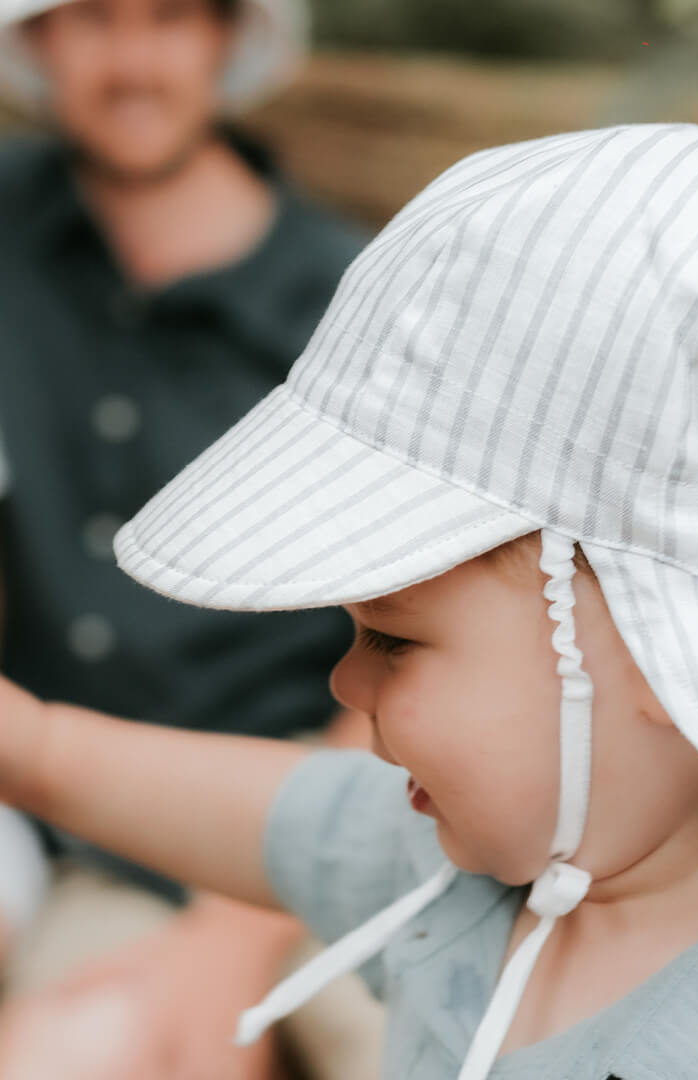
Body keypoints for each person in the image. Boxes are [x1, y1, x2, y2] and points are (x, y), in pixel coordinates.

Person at [0, 123, 698, 1078]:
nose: (345, 681)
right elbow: (259, 813)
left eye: (394, 642)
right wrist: (34, 745)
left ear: (670, 645)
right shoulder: (494, 870)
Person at [0, 0, 379, 1075]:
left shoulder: (347, 305)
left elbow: (446, 643)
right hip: (100, 825)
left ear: (230, 38)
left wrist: (229, 936)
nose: (130, 62)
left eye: (168, 16)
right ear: (36, 42)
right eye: (92, 21)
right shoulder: (10, 234)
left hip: (350, 800)